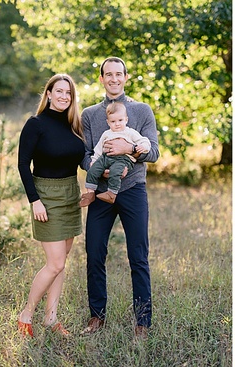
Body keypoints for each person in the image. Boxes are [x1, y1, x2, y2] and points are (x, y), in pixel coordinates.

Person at [79, 57, 159, 338]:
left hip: (134, 190)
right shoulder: (89, 114)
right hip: (102, 193)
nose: (113, 79)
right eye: (108, 75)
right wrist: (100, 172)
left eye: (118, 74)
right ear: (101, 79)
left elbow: (154, 152)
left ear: (126, 77)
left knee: (138, 255)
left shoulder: (142, 110)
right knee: (95, 253)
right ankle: (97, 316)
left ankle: (142, 321)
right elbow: (86, 155)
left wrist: (131, 149)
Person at [17, 74, 85, 337]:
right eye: (59, 91)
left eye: (68, 93)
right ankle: (27, 314)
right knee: (54, 263)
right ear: (48, 94)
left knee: (62, 261)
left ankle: (51, 319)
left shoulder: (73, 124)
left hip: (70, 194)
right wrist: (35, 200)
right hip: (46, 195)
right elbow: (23, 164)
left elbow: (81, 160)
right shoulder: (35, 124)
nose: (64, 97)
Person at [79, 101, 150, 206]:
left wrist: (143, 147)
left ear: (126, 120)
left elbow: (144, 140)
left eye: (120, 120)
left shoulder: (130, 132)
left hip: (123, 159)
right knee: (93, 170)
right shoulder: (106, 134)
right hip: (105, 157)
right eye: (113, 121)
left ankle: (111, 194)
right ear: (108, 122)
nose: (117, 124)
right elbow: (98, 149)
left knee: (115, 171)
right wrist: (93, 161)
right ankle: (90, 193)